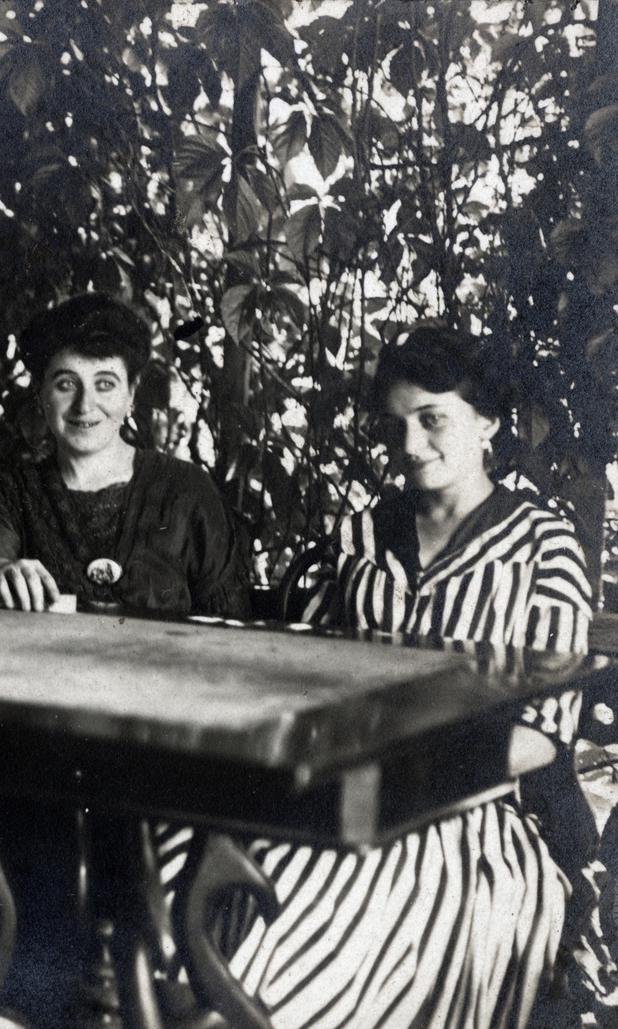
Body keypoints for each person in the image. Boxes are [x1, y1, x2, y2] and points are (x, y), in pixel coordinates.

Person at [192, 327, 593, 1029]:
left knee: (343, 911)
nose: (410, 446)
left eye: (432, 418)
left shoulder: (543, 545)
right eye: (397, 425)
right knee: (197, 859)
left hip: (473, 811)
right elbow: (306, 677)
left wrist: (418, 784)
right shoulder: (358, 539)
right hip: (341, 787)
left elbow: (542, 737)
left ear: (488, 422)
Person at [0, 294, 251, 618]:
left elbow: (233, 631)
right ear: (40, 392)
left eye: (105, 384)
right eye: (66, 384)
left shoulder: (187, 491)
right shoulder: (12, 493)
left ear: (131, 393)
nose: (84, 405)